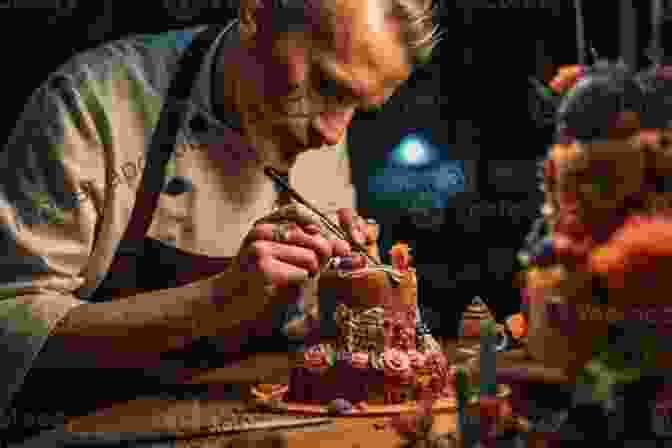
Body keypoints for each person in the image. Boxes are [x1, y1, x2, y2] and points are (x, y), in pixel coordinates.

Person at [0, 0, 441, 417]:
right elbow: (10, 332)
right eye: (326, 86)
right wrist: (216, 301)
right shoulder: (93, 106)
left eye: (358, 107)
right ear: (256, 10)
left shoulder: (319, 131)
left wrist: (342, 287)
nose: (333, 134)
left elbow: (307, 334)